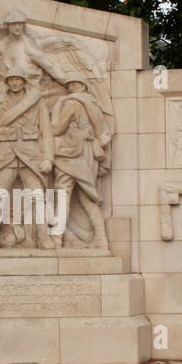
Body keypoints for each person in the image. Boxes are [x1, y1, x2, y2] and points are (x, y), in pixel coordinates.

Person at [0, 68, 54, 250]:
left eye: (18, 79)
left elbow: (46, 131)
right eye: (11, 80)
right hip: (5, 155)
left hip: (31, 155)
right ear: (7, 82)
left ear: (23, 81)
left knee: (38, 197)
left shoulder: (36, 101)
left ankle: (44, 237)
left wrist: (48, 158)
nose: (14, 83)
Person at [52, 75, 111, 249]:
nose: (70, 87)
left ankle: (57, 237)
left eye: (74, 84)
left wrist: (56, 108)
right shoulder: (93, 104)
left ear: (83, 87)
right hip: (88, 153)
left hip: (71, 152)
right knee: (87, 196)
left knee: (63, 193)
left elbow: (57, 128)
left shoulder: (71, 103)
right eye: (69, 84)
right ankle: (101, 238)